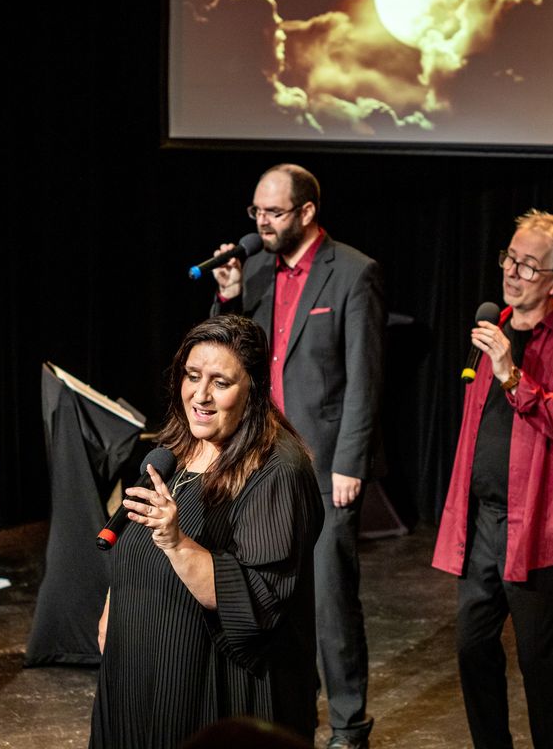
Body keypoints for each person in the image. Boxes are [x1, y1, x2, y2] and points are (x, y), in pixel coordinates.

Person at [89, 315, 324, 748]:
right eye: (192, 376)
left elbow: (254, 600)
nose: (200, 395)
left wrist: (176, 542)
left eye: (221, 382)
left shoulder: (278, 471)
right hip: (137, 671)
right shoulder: (177, 447)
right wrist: (114, 605)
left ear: (253, 388)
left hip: (207, 687)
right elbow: (138, 536)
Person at [211, 164, 385, 749]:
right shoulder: (256, 271)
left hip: (326, 464)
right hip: (262, 461)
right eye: (256, 211)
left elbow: (365, 379)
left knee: (331, 601)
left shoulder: (353, 272)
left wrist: (351, 462)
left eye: (274, 212)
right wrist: (229, 296)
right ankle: (288, 718)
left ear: (307, 212)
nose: (262, 222)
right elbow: (224, 357)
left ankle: (349, 725)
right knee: (271, 595)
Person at [432, 210, 553, 749]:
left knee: (542, 668)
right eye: (510, 257)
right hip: (483, 522)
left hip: (540, 530)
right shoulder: (494, 327)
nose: (512, 271)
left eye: (529, 265)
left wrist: (512, 376)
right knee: (472, 649)